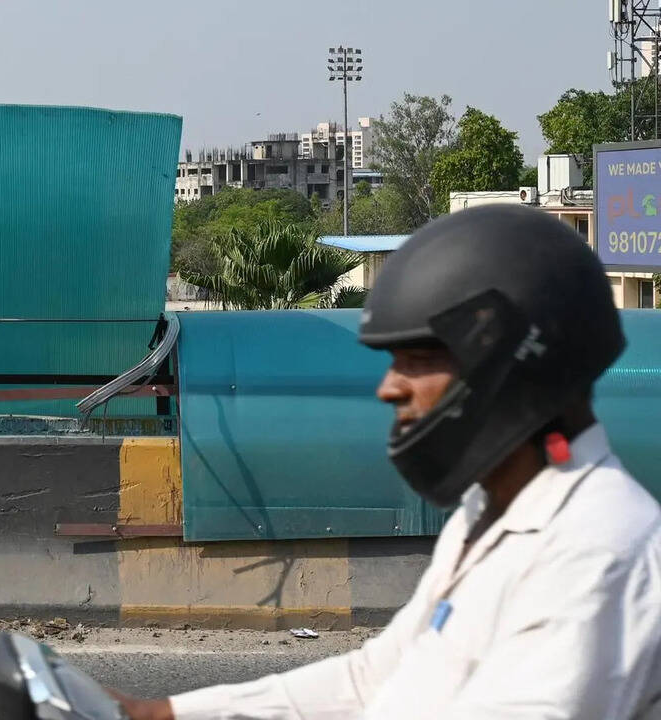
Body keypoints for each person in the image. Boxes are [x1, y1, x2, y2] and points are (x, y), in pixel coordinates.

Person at [114, 205, 661, 719]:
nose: (389, 388)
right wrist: (163, 713)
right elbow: (374, 677)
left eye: (420, 361)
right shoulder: (491, 511)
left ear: (520, 365)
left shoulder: (596, 553)